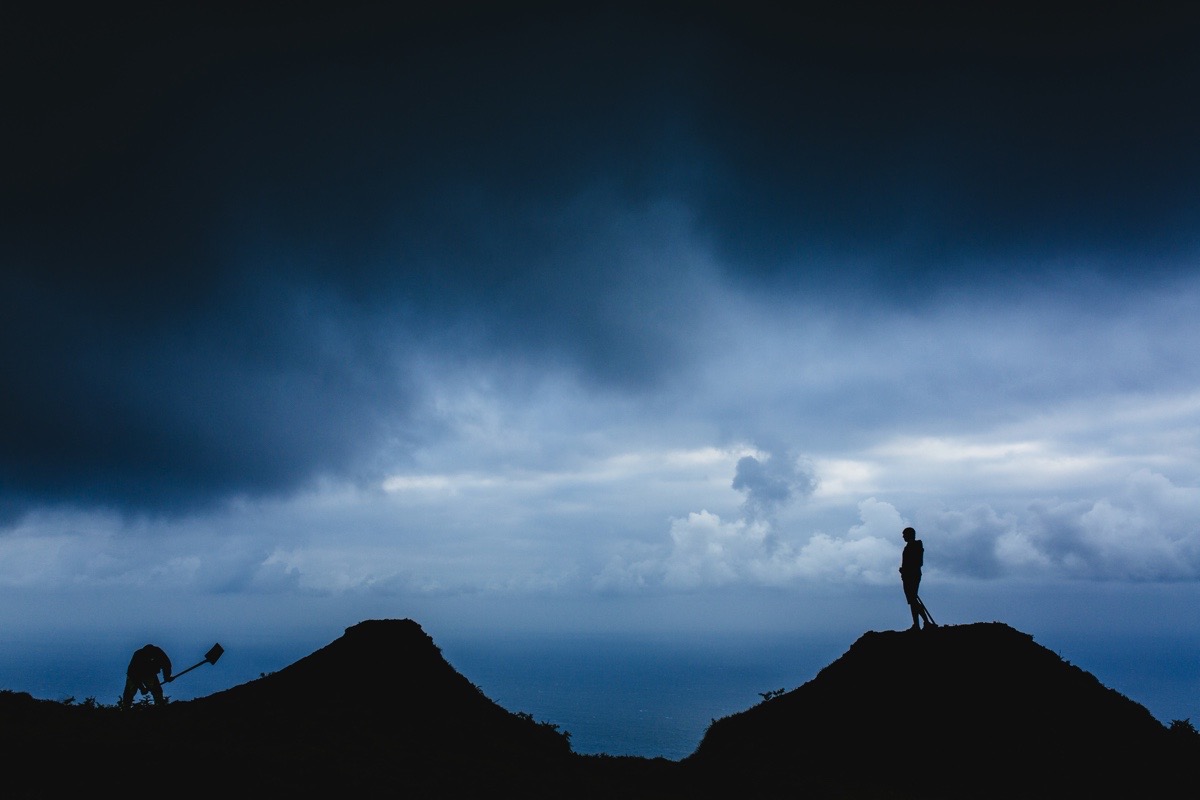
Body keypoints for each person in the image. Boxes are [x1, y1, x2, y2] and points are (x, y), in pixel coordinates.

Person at [900, 527, 936, 631]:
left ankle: (925, 622)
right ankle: (917, 624)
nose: (903, 537)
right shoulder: (910, 546)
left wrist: (906, 570)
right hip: (908, 576)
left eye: (904, 534)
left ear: (909, 535)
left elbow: (918, 562)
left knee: (913, 599)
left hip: (912, 575)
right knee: (912, 600)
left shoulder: (916, 545)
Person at [121, 643, 173, 707]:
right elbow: (132, 674)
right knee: (129, 692)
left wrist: (167, 676)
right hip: (135, 675)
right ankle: (125, 708)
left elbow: (167, 665)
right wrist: (141, 688)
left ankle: (159, 707)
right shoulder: (138, 655)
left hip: (150, 674)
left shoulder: (158, 652)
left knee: (157, 691)